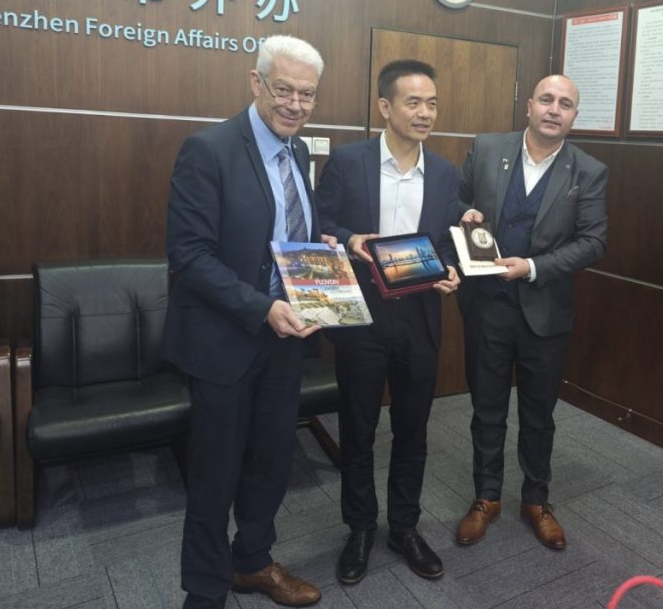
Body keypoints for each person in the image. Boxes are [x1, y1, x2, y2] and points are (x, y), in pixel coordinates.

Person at [161, 35, 331, 609]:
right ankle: (205, 590)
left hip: (285, 339)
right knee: (215, 473)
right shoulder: (208, 150)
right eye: (284, 89)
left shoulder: (298, 152)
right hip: (224, 340)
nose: (295, 104)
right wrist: (262, 307)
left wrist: (322, 251)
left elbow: (283, 236)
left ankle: (253, 561)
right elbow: (189, 256)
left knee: (271, 460)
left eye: (307, 94)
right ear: (256, 82)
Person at [316, 59, 460, 585]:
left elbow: (446, 241)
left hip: (420, 317)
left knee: (413, 428)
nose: (425, 113)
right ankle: (359, 528)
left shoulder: (445, 172)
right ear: (385, 106)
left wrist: (451, 268)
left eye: (432, 104)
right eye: (413, 102)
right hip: (361, 315)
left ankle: (404, 527)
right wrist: (351, 239)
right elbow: (318, 220)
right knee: (358, 428)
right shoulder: (349, 161)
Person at [454, 74, 608, 551]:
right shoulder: (487, 149)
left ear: (574, 116)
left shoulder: (589, 171)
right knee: (487, 409)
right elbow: (454, 199)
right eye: (546, 99)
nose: (554, 109)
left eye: (565, 103)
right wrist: (464, 215)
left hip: (546, 313)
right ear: (529, 105)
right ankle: (486, 497)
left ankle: (536, 500)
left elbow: (594, 241)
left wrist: (534, 267)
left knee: (539, 415)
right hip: (488, 307)